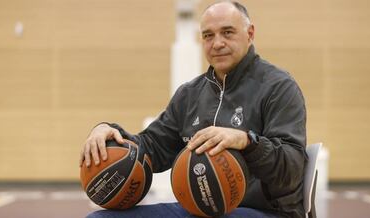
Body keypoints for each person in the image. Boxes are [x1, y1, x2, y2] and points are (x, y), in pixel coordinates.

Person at [80, 1, 307, 217]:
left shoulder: (278, 87)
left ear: (250, 33)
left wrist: (247, 141)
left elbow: (292, 169)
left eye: (227, 32)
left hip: (266, 211)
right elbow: (153, 147)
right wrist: (110, 132)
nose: (217, 43)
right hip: (199, 210)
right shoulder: (190, 94)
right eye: (208, 35)